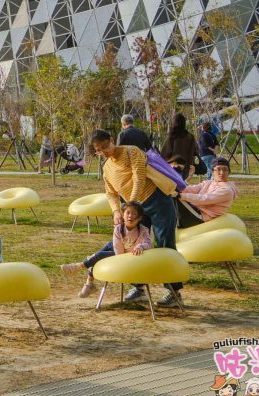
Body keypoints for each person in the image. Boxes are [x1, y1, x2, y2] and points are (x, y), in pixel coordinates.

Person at [90, 129, 182, 306]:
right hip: (135, 209)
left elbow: (139, 178)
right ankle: (138, 288)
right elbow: (111, 194)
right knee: (134, 244)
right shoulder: (107, 168)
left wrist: (131, 205)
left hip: (157, 200)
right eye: (99, 150)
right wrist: (117, 211)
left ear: (111, 140)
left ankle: (173, 291)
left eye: (105, 146)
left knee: (164, 243)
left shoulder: (132, 151)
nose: (104, 152)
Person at [62, 201, 152, 298]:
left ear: (139, 218)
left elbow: (149, 243)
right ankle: (88, 281)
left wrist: (141, 246)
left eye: (134, 214)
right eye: (128, 213)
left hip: (130, 257)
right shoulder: (118, 229)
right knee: (103, 252)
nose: (130, 216)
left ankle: (82, 270)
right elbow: (118, 249)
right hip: (120, 254)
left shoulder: (143, 230)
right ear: (123, 214)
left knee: (100, 255)